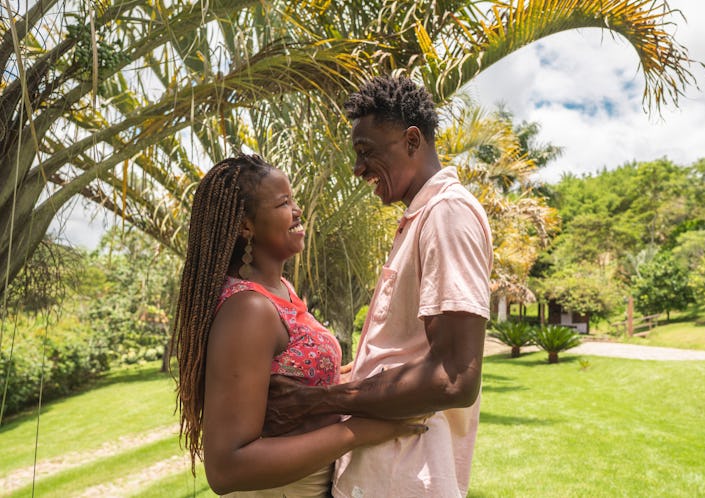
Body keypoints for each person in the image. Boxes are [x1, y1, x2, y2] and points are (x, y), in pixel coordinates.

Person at [263, 75, 493, 497]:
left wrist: (321, 400)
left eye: (366, 152)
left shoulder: (447, 215)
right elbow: (407, 352)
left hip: (404, 479)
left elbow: (456, 377)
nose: (357, 169)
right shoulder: (420, 220)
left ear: (411, 141)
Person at [171, 154, 427, 497]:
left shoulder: (280, 292)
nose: (298, 210)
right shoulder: (249, 308)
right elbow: (226, 468)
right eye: (283, 202)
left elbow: (292, 378)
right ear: (245, 225)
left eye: (294, 199)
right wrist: (357, 431)